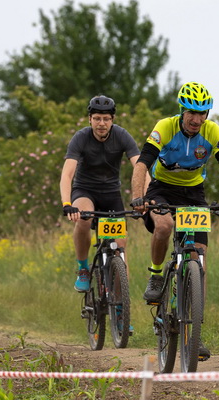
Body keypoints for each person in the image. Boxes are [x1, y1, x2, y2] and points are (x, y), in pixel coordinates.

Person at [130, 82, 219, 359]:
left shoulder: (212, 131)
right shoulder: (165, 127)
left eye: (202, 113)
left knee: (199, 260)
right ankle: (156, 275)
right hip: (161, 190)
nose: (197, 119)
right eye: (191, 113)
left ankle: (193, 333)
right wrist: (138, 197)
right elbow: (142, 163)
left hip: (194, 194)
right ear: (181, 111)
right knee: (164, 226)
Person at [60, 95, 147, 294]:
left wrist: (144, 197)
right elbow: (67, 174)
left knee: (120, 249)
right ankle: (83, 269)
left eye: (106, 119)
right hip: (85, 191)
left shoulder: (122, 135)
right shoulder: (81, 137)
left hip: (111, 194)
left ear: (112, 120)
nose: (101, 123)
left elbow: (140, 167)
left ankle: (121, 306)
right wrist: (67, 204)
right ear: (90, 119)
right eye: (97, 118)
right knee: (83, 219)